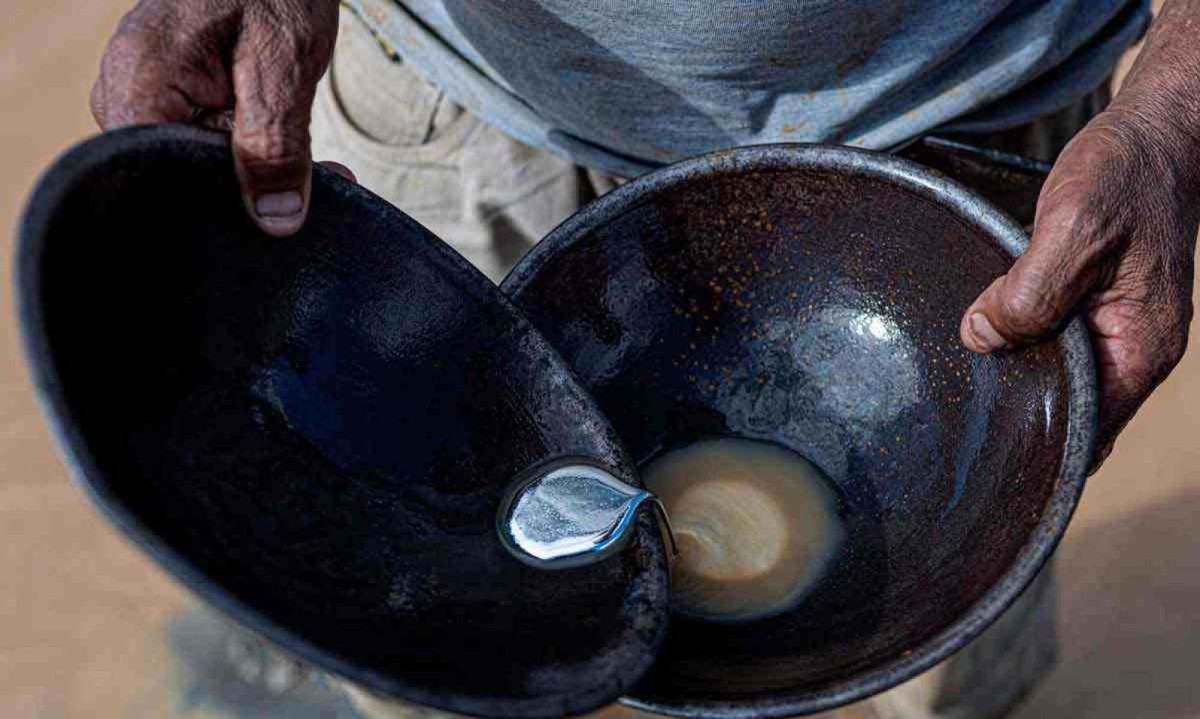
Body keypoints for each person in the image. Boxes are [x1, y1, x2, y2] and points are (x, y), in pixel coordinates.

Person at [89, 1, 1199, 717]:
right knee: (432, 607)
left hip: (963, 140)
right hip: (459, 108)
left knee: (949, 644)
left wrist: (1176, 106)